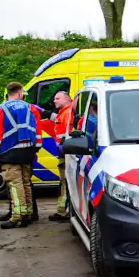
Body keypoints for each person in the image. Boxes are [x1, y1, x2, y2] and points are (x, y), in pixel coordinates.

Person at [0, 82, 43, 229]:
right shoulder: (31, 108)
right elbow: (38, 129)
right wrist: (36, 147)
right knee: (26, 182)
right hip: (28, 150)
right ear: (19, 93)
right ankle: (28, 213)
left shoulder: (0, 109)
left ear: (9, 93)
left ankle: (18, 217)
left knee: (14, 184)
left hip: (9, 152)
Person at [48, 91, 75, 221]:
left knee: (65, 182)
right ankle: (63, 210)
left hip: (67, 153)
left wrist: (64, 146)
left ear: (67, 99)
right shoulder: (64, 112)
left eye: (57, 98)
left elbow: (69, 132)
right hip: (64, 152)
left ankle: (63, 212)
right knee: (64, 183)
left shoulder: (68, 112)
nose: (54, 101)